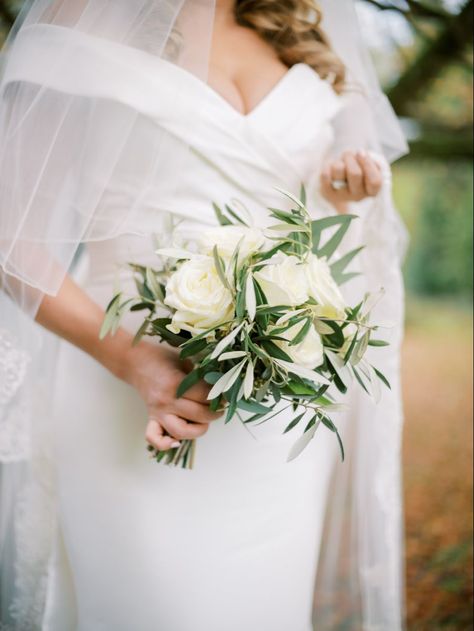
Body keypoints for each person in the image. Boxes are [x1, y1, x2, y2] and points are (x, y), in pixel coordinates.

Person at [0, 1, 408, 629]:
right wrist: (131, 360)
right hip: (128, 391)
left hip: (275, 422)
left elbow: (319, 232)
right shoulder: (82, 14)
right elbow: (11, 241)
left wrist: (338, 194)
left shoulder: (299, 27)